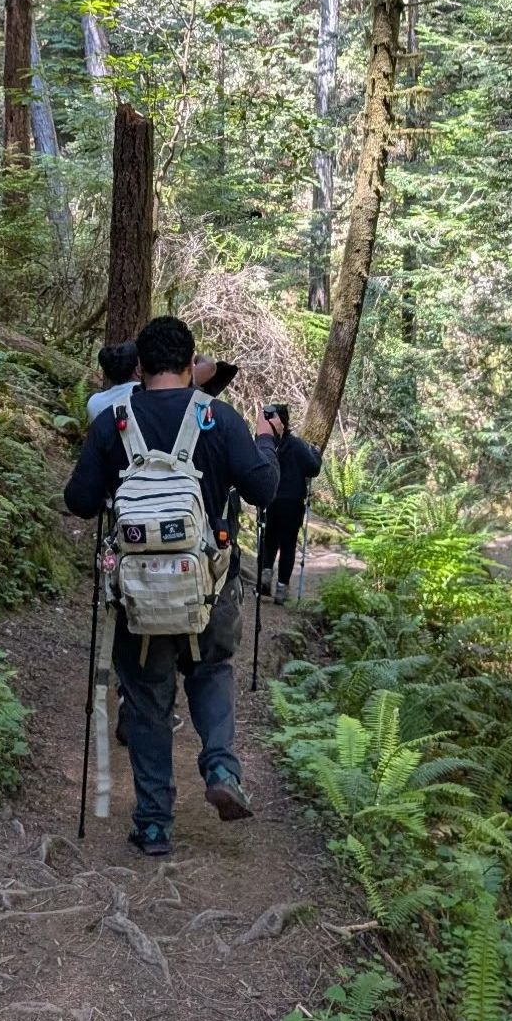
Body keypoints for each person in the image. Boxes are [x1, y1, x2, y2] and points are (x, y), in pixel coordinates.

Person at [64, 316, 279, 856]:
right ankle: (222, 768)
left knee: (146, 700)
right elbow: (264, 490)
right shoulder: (217, 418)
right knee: (210, 671)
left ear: (139, 366)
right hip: (207, 587)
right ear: (190, 365)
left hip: (137, 598)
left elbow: (80, 502)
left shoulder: (112, 420)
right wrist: (264, 442)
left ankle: (155, 824)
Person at [258, 406, 322, 602]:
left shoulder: (266, 445)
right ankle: (281, 589)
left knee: (269, 540)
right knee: (288, 545)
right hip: (293, 504)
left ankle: (265, 575)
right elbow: (313, 469)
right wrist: (316, 453)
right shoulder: (296, 445)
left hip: (271, 500)